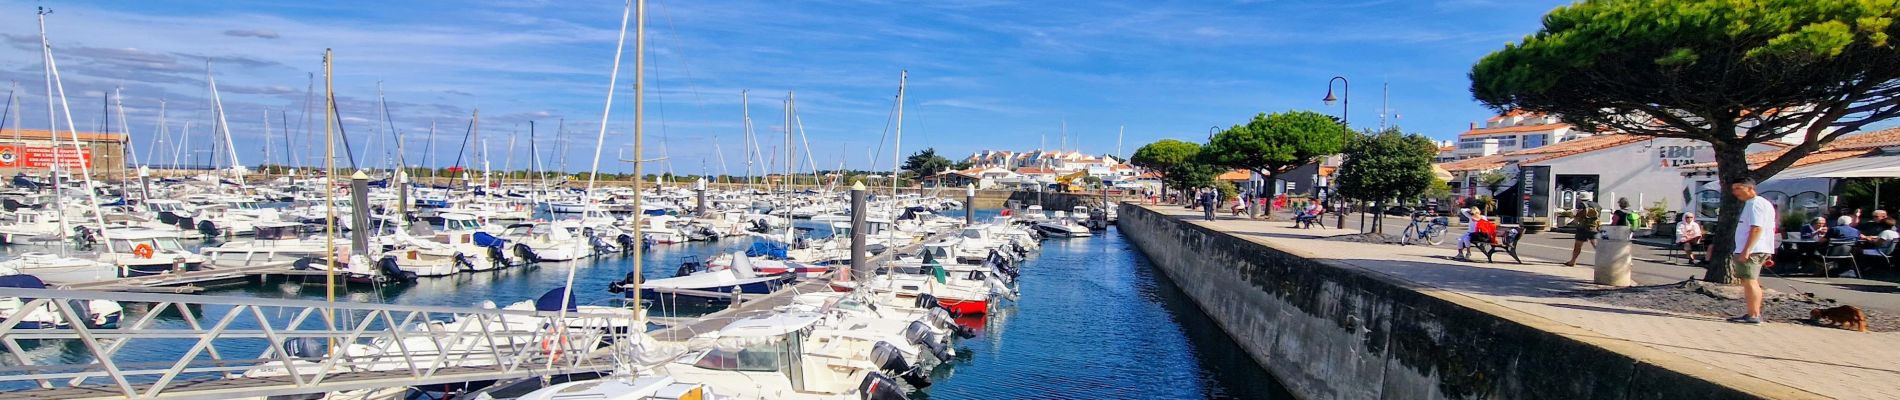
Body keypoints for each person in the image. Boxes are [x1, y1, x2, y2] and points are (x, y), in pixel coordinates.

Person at [1727, 180, 1776, 325]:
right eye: (1733, 189)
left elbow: (1756, 228)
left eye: (1738, 188)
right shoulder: (1759, 204)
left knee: (1750, 281)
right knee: (1747, 280)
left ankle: (1754, 315)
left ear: (1750, 188)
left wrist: (1746, 250)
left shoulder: (1755, 204)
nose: (1735, 192)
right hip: (1757, 248)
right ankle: (1752, 312)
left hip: (1753, 249)